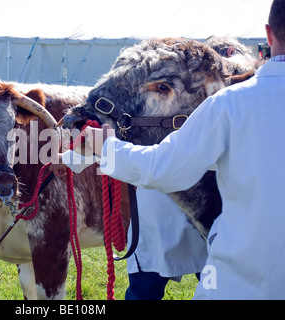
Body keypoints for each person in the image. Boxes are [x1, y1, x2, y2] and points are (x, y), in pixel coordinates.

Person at [55, 0, 285, 299]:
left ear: (268, 34)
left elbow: (164, 169)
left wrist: (102, 148)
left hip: (241, 280)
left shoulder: (229, 104)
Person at [52, 151, 207, 300]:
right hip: (168, 214)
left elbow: (130, 147)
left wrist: (70, 159)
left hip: (182, 215)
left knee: (145, 289)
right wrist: (70, 159)